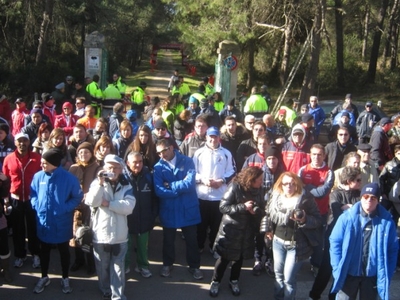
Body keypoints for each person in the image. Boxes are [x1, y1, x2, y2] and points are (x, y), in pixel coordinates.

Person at [329, 183, 398, 300]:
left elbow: (392, 249)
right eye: (366, 196)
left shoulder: (386, 222)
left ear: (378, 200)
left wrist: (388, 273)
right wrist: (337, 269)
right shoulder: (347, 218)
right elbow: (335, 242)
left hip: (372, 276)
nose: (369, 200)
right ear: (361, 198)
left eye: (373, 197)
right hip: (349, 273)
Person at [261, 172, 322, 300]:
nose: (289, 186)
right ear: (281, 185)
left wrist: (304, 219)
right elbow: (268, 214)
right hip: (277, 242)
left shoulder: (305, 199)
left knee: (288, 279)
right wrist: (268, 230)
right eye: (286, 184)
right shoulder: (275, 197)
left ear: (297, 184)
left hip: (296, 245)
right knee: (278, 275)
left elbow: (317, 220)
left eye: (292, 184)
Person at [31, 148, 83, 294]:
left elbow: (77, 197)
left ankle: (65, 277)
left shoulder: (68, 178)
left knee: (64, 251)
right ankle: (44, 276)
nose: (41, 165)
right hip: (44, 221)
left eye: (44, 163)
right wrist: (35, 205)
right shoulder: (38, 177)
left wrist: (64, 208)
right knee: (44, 251)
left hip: (62, 222)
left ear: (54, 163)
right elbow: (33, 193)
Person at [85, 155, 135, 300]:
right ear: (104, 168)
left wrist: (109, 204)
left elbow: (129, 206)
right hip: (101, 234)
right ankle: (105, 288)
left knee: (118, 268)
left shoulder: (127, 185)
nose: (112, 170)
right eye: (109, 167)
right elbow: (92, 202)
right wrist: (100, 184)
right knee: (102, 266)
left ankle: (118, 295)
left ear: (120, 169)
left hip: (120, 235)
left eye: (115, 167)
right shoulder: (97, 183)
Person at [209, 167, 265, 297]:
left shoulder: (260, 190)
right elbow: (223, 207)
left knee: (239, 259)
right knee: (224, 259)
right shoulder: (235, 187)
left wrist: (255, 212)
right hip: (231, 231)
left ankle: (234, 280)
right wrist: (243, 207)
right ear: (251, 179)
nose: (262, 182)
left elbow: (262, 209)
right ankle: (215, 281)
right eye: (260, 179)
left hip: (247, 231)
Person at [309, 166, 362, 300]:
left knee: (343, 268)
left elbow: (360, 213)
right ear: (349, 181)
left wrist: (348, 208)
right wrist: (349, 209)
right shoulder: (335, 194)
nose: (360, 182)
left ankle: (333, 296)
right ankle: (314, 295)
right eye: (358, 180)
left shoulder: (358, 194)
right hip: (334, 235)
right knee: (327, 268)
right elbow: (337, 212)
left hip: (352, 235)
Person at [153, 138, 203, 280]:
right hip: (169, 209)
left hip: (188, 208)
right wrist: (177, 189)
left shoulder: (187, 161)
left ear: (171, 148)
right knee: (168, 240)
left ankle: (194, 267)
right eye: (158, 153)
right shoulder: (158, 167)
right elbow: (159, 191)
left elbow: (190, 185)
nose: (161, 155)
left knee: (192, 240)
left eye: (163, 151)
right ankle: (167, 264)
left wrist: (170, 185)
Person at [193, 127, 236, 259]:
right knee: (201, 225)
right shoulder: (198, 153)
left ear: (219, 138)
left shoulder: (226, 153)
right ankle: (199, 246)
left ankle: (214, 247)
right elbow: (193, 172)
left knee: (216, 226)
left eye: (215, 137)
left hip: (219, 196)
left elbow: (232, 171)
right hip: (202, 195)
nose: (213, 139)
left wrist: (221, 180)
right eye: (210, 137)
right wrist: (203, 180)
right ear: (206, 137)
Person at [3, 132, 41, 269]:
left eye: (24, 141)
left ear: (29, 143)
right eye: (19, 141)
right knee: (18, 230)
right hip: (15, 199)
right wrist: (5, 200)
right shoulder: (8, 159)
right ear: (15, 143)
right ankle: (20, 255)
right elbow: (5, 181)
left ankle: (36, 254)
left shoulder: (37, 158)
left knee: (33, 228)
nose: (22, 143)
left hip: (32, 199)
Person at [298, 144, 334, 277]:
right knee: (302, 238)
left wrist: (309, 187)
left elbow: (322, 192)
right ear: (310, 155)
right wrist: (314, 188)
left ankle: (315, 264)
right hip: (304, 211)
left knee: (318, 241)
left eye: (319, 154)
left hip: (321, 212)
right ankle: (299, 263)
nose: (316, 157)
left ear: (324, 155)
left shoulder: (329, 172)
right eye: (314, 154)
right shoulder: (303, 170)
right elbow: (299, 189)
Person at [68, 142, 101, 274]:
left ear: (91, 153)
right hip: (77, 207)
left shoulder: (97, 168)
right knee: (77, 235)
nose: (83, 155)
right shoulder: (73, 168)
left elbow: (99, 186)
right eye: (81, 152)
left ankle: (90, 262)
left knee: (89, 235)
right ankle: (79, 260)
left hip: (90, 208)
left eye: (86, 152)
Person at [125, 152, 158, 277]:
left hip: (145, 218)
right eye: (134, 162)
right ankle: (125, 265)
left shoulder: (149, 176)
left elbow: (155, 198)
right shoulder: (123, 178)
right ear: (128, 163)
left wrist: (153, 215)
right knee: (126, 246)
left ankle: (143, 266)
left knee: (143, 246)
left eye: (140, 162)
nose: (138, 164)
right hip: (127, 218)